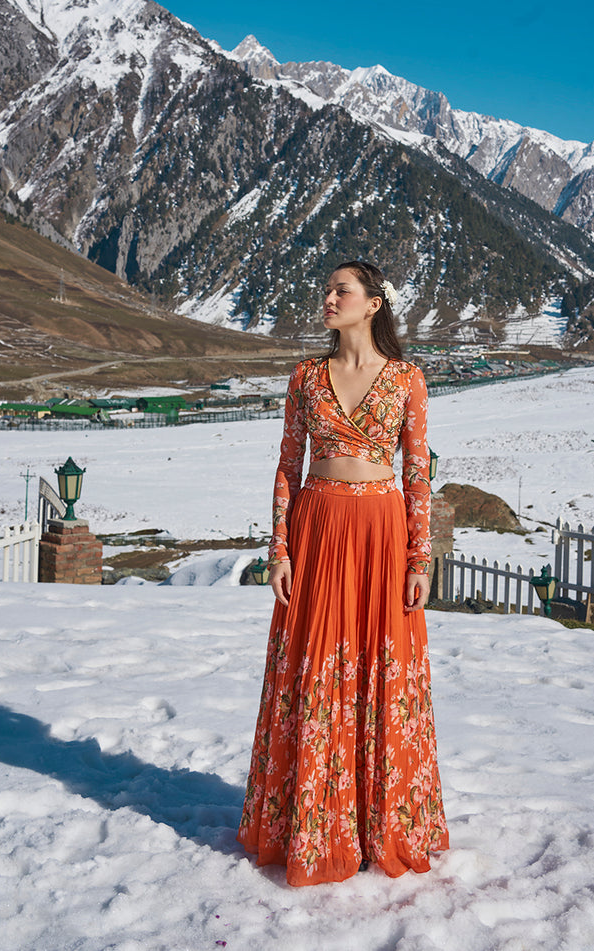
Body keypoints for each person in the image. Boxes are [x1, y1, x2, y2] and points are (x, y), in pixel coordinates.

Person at [237, 260, 449, 885]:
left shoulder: (408, 380)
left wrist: (420, 557)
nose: (328, 299)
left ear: (374, 303)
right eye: (326, 290)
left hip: (382, 538)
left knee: (381, 669)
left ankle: (379, 823)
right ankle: (314, 823)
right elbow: (286, 469)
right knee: (315, 669)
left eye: (341, 290)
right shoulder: (305, 377)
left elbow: (417, 473)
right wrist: (279, 549)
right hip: (319, 531)